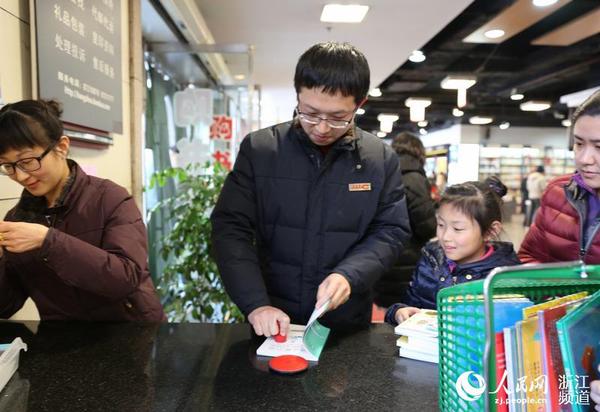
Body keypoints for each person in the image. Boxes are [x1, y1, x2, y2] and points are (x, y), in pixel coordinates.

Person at [210, 42, 411, 337]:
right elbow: (230, 228)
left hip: (346, 320)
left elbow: (391, 231)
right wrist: (255, 303)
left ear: (360, 104)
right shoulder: (261, 150)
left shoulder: (379, 159)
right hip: (272, 318)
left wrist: (349, 275)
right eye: (309, 113)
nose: (322, 127)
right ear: (297, 95)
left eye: (338, 117)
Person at [0, 99, 164, 321]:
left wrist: (49, 242)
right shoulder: (17, 219)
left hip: (130, 336)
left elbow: (126, 278)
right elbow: (5, 306)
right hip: (65, 344)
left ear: (61, 146)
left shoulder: (109, 198)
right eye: (8, 166)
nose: (20, 176)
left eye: (27, 161)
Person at [384, 177, 521, 325]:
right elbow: (409, 303)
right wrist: (398, 312)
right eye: (441, 224)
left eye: (458, 229)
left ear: (490, 231)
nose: (445, 236)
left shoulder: (505, 276)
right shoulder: (431, 260)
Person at [519, 90, 600, 263]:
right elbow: (528, 256)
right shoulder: (557, 191)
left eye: (599, 147)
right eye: (579, 144)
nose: (584, 159)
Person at [374, 132, 436, 307]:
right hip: (407, 258)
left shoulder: (384, 172)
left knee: (389, 311)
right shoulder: (414, 178)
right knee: (404, 314)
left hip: (383, 254)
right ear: (418, 151)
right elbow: (427, 225)